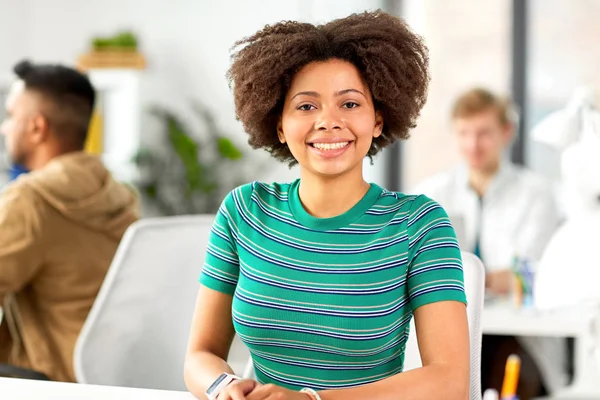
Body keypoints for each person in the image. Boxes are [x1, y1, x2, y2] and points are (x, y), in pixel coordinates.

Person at [184, 11, 469, 400]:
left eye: (349, 104)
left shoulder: (419, 224)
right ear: (280, 126)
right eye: (305, 107)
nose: (328, 122)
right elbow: (200, 355)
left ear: (378, 121)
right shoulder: (243, 211)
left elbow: (449, 381)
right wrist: (224, 387)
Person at [413, 88, 565, 399]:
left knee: (505, 373)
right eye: (464, 133)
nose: (473, 145)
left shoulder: (536, 194)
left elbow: (525, 273)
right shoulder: (432, 192)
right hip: (452, 330)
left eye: (483, 133)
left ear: (506, 132)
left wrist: (459, 280)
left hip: (518, 334)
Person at [0, 60, 139, 381]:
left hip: (49, 378)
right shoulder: (117, 194)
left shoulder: (31, 201)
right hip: (115, 377)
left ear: (37, 127)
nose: (5, 127)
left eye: (11, 116)